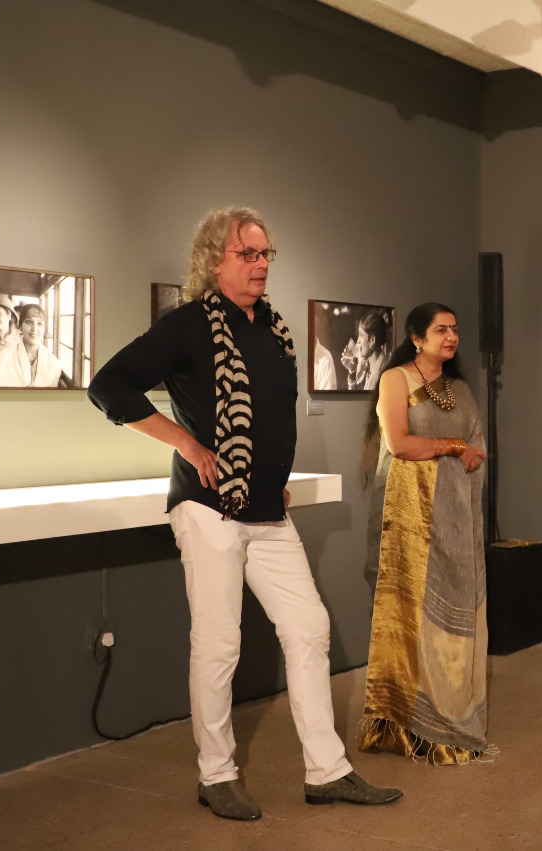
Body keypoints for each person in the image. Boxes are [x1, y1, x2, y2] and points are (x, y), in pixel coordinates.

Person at [88, 207, 401, 820]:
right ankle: (217, 774)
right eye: (247, 254)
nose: (260, 265)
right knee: (219, 644)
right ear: (214, 261)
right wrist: (185, 442)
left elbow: (271, 419)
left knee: (308, 627)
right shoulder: (187, 325)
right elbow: (109, 386)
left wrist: (272, 479)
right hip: (209, 508)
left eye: (265, 255)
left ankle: (327, 771)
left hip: (266, 510)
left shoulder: (274, 329)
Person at [357, 302, 490, 765]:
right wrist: (453, 447)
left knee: (453, 611)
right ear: (417, 338)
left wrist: (463, 456)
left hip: (454, 516)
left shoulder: (461, 389)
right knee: (410, 613)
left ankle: (449, 715)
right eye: (440, 330)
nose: (451, 337)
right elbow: (398, 444)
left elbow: (478, 447)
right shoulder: (396, 380)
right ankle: (407, 724)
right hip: (407, 519)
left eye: (454, 329)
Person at [0, 303, 65, 387]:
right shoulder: (5, 356)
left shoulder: (53, 364)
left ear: (44, 328)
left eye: (39, 324)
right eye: (28, 322)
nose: (34, 329)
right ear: (20, 327)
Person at [341, 310, 388, 391]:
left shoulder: (381, 375)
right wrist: (352, 372)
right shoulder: (368, 366)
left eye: (361, 335)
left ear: (372, 340)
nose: (358, 341)